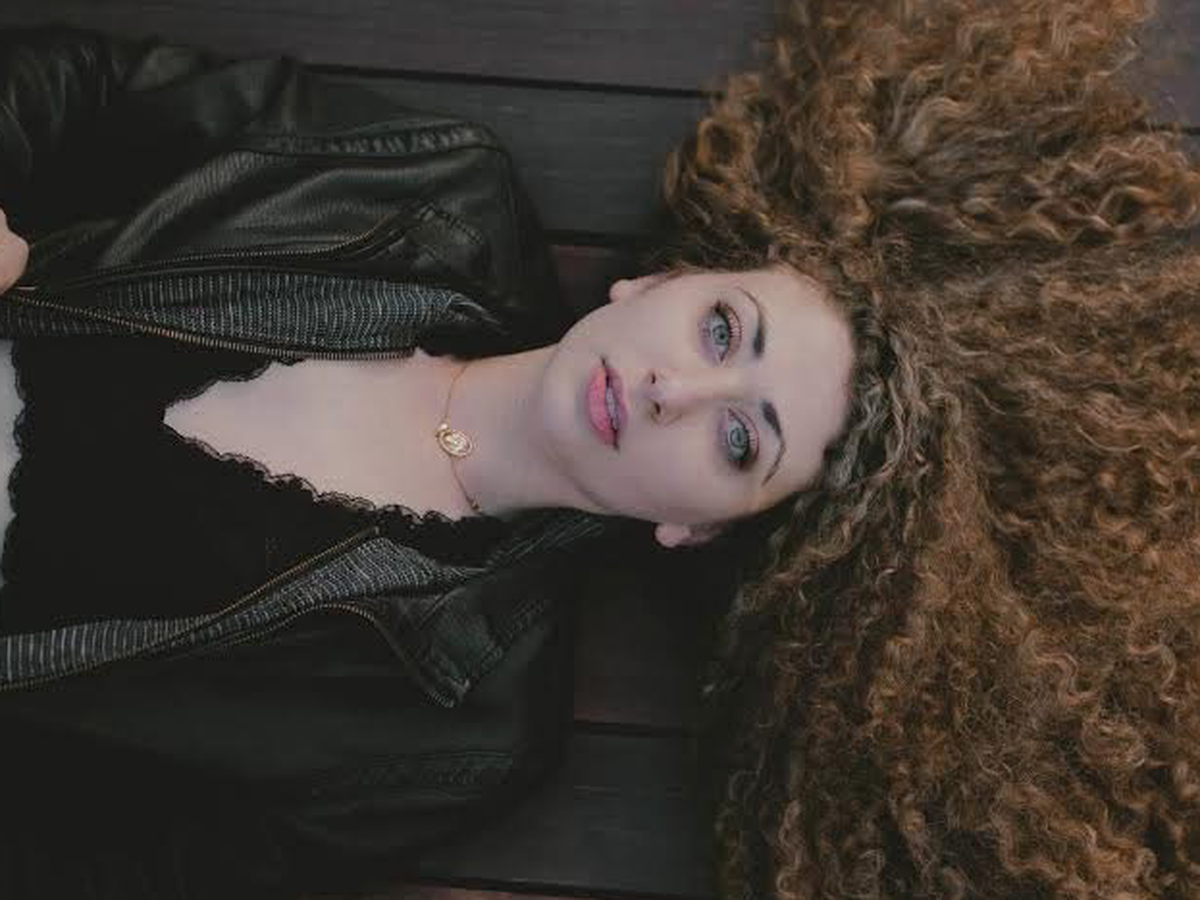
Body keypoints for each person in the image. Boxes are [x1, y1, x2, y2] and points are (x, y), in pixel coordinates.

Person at [2, 0, 1199, 897]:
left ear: (702, 526)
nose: (679, 388)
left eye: (742, 438)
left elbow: (103, 864)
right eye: (722, 328)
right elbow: (77, 87)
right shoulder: (428, 182)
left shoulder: (462, 737)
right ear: (662, 282)